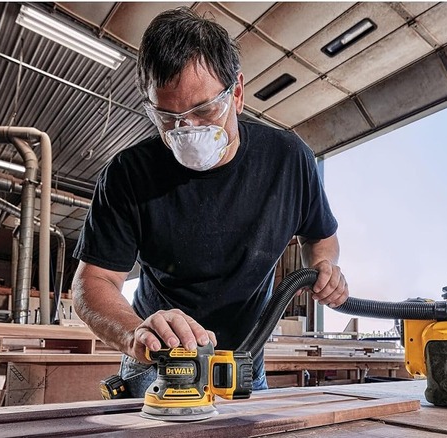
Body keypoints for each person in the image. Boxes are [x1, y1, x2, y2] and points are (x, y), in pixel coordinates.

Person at [71, 7, 348, 397]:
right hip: (160, 361)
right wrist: (136, 332)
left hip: (245, 357)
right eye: (168, 117)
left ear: (236, 92)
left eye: (203, 110)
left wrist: (324, 266)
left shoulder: (287, 159)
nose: (188, 130)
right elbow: (92, 283)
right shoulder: (128, 174)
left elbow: (321, 236)